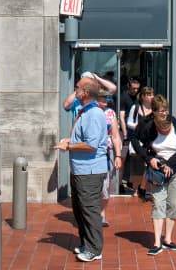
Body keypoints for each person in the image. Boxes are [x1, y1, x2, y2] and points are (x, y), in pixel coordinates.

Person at [56, 78, 111, 263]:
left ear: (85, 92)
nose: (75, 90)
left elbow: (91, 145)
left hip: (90, 171)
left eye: (77, 88)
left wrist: (69, 146)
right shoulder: (85, 111)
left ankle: (95, 249)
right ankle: (87, 244)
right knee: (80, 210)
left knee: (89, 210)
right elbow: (84, 138)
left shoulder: (94, 114)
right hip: (81, 170)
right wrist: (69, 141)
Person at [134, 101, 176, 255]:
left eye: (166, 110)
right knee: (158, 204)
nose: (164, 132)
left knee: (173, 204)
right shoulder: (149, 127)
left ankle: (168, 239)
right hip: (157, 172)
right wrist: (149, 158)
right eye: (161, 130)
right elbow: (136, 142)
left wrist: (170, 164)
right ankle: (157, 242)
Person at [125, 87, 160, 199]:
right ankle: (136, 190)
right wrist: (140, 127)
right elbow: (129, 123)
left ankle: (145, 188)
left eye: (152, 94)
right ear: (143, 96)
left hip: (151, 141)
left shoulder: (155, 109)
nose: (151, 97)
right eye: (149, 95)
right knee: (137, 167)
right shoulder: (135, 108)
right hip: (138, 141)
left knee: (149, 166)